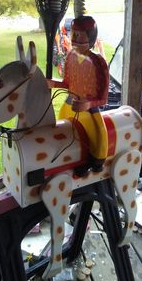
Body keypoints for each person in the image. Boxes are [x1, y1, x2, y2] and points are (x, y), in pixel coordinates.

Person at [48, 16, 109, 174]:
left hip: (88, 111)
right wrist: (52, 83)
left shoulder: (98, 62)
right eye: (72, 34)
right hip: (69, 105)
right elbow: (67, 83)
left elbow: (103, 98)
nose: (73, 39)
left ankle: (94, 162)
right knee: (60, 131)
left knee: (99, 139)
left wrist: (88, 104)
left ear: (91, 37)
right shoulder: (70, 57)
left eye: (79, 35)